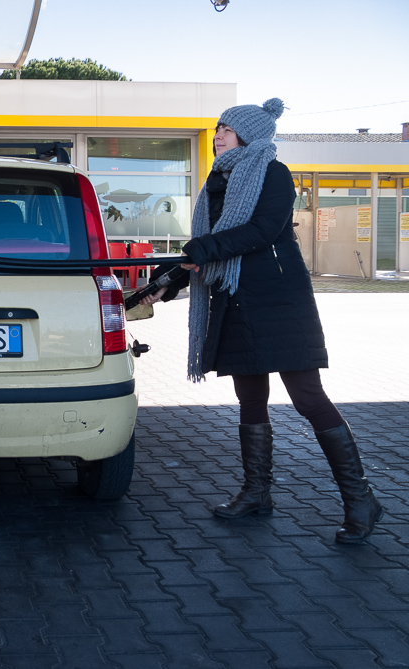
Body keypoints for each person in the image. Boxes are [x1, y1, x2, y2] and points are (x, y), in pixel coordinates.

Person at [141, 98, 383, 545]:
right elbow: (210, 245)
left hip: (279, 300)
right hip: (235, 299)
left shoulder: (273, 173)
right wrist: (169, 281)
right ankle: (256, 492)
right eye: (217, 129)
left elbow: (262, 231)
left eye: (226, 130)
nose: (218, 137)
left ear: (248, 135)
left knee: (308, 397)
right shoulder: (217, 182)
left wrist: (199, 251)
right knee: (250, 397)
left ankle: (361, 499)